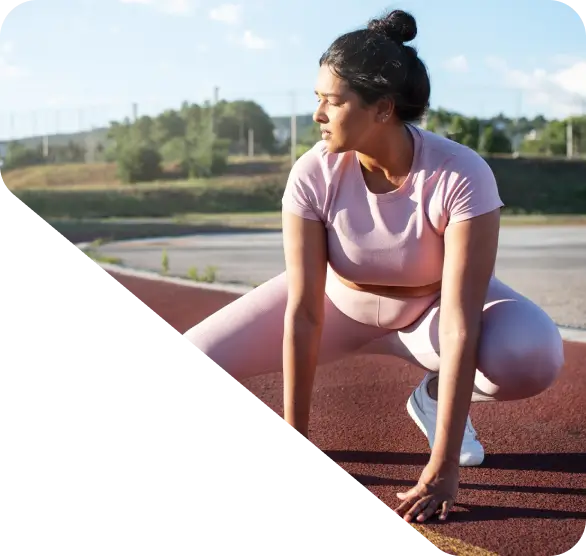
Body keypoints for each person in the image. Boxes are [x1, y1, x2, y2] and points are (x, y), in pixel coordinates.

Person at [177, 9, 565, 524]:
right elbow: (304, 312)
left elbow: (459, 321)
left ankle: (434, 399)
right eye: (317, 98)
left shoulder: (461, 173)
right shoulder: (314, 171)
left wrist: (444, 464)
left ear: (382, 109)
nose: (317, 114)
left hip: (430, 314)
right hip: (337, 305)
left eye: (331, 102)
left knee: (532, 354)